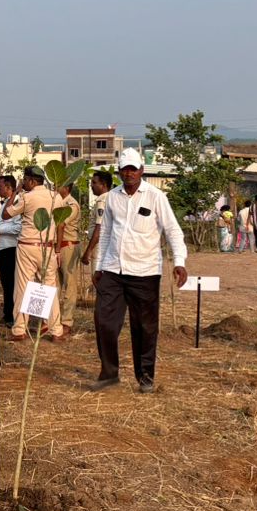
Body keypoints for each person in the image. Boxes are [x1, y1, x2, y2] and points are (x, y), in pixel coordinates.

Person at [91, 149, 187, 394]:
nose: (129, 173)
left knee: (144, 327)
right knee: (104, 321)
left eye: (133, 169)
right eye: (125, 169)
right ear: (119, 172)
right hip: (113, 269)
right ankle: (109, 373)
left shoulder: (156, 197)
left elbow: (173, 231)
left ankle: (145, 376)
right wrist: (99, 266)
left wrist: (179, 261)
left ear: (141, 170)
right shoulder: (112, 197)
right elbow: (106, 233)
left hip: (145, 272)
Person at [3, 167, 64, 340]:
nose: (23, 183)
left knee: (23, 287)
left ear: (31, 181)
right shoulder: (56, 197)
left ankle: (19, 329)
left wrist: (16, 192)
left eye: (24, 180)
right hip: (48, 247)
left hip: (28, 246)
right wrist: (58, 249)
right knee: (49, 287)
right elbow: (61, 224)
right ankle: (55, 330)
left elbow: (6, 214)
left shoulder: (26, 197)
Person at [53, 179, 83, 337]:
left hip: (67, 246)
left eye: (59, 184)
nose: (55, 186)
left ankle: (67, 321)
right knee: (54, 284)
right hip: (57, 246)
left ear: (67, 187)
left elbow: (60, 224)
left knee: (69, 284)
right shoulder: (57, 202)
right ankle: (53, 319)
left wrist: (58, 249)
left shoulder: (72, 205)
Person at [0, 174, 21, 327]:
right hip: (2, 247)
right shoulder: (4, 204)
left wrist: (0, 230)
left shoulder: (16, 203)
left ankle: (12, 316)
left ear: (9, 188)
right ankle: (8, 314)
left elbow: (19, 227)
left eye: (0, 186)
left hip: (11, 247)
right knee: (6, 282)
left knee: (11, 283)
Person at [81, 171, 112, 267]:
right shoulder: (111, 198)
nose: (91, 185)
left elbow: (99, 227)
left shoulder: (102, 201)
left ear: (104, 185)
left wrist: (88, 251)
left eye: (94, 183)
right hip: (106, 244)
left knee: (97, 273)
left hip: (99, 245)